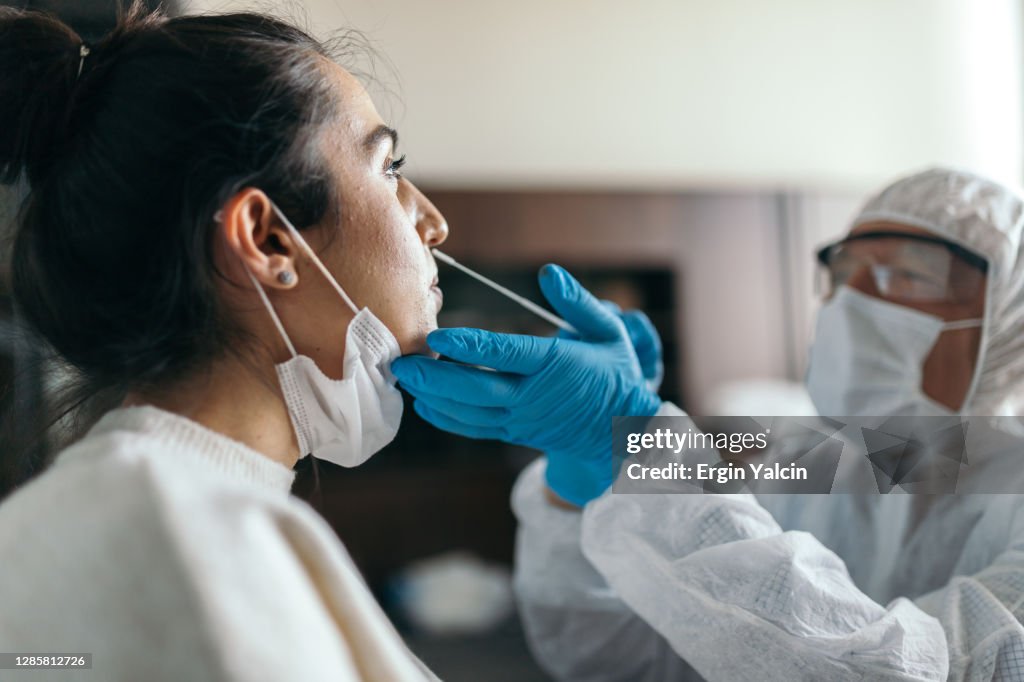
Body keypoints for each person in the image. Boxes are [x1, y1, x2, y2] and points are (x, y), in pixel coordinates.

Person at [393, 167, 1024, 680]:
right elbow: (616, 659)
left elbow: (914, 672)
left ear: (1008, 317)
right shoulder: (785, 444)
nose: (851, 300)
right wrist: (582, 478)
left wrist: (641, 437)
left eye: (906, 274)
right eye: (843, 272)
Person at [0, 5, 462, 680]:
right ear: (269, 240)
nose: (435, 223)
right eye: (389, 167)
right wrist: (633, 443)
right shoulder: (188, 548)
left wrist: (627, 453)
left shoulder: (142, 509)